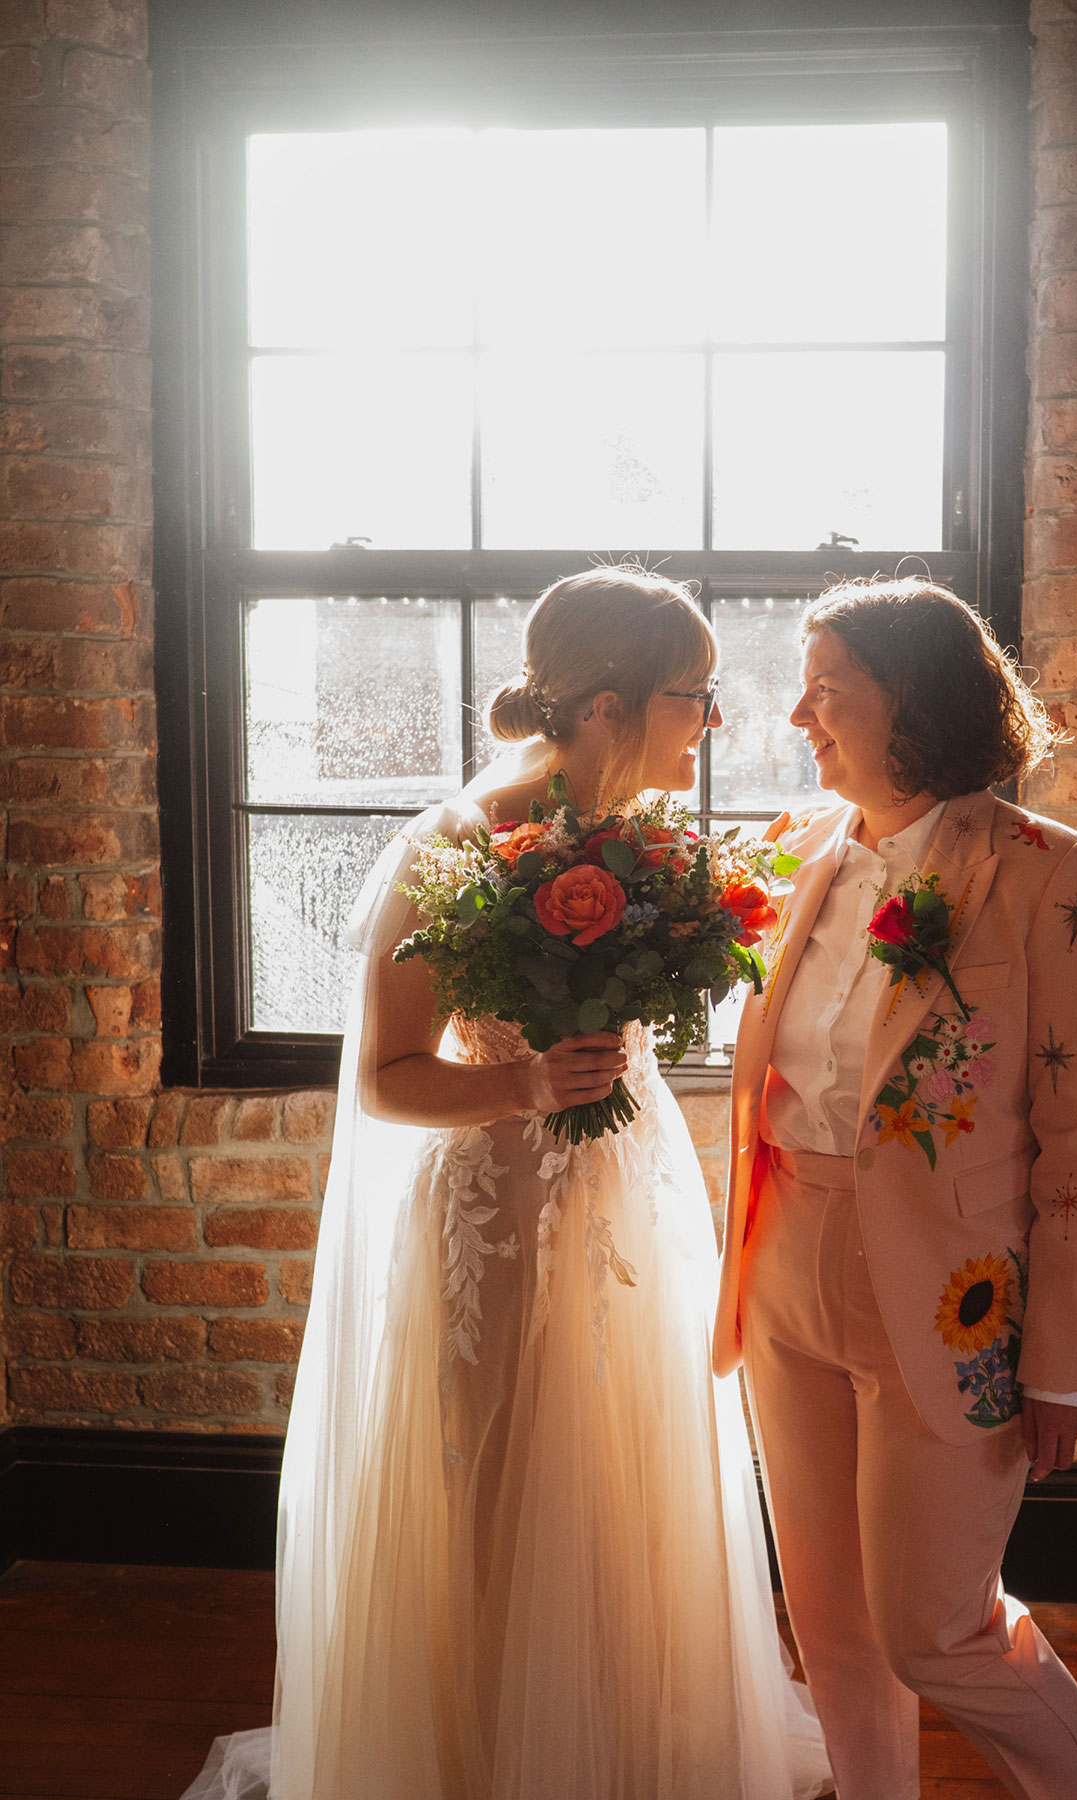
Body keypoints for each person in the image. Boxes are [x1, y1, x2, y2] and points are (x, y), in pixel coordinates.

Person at [182, 566, 831, 1800]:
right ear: (604, 705)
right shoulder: (459, 847)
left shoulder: (643, 842)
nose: (711, 724)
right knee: (492, 1488)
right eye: (694, 697)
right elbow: (384, 1077)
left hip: (626, 1198)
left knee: (626, 1485)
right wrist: (528, 1088)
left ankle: (624, 1745)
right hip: (496, 1214)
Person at [715, 576, 1077, 1800]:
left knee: (936, 1625)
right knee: (836, 1625)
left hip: (954, 1296)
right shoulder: (792, 850)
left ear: (910, 700)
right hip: (780, 1273)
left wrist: (1066, 1360)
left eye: (829, 690)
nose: (799, 714)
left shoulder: (1052, 873)